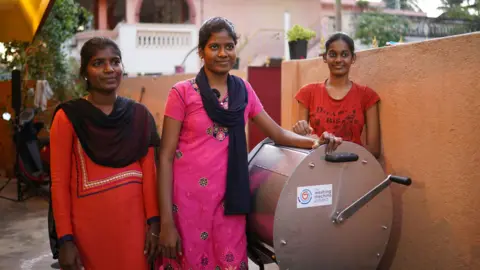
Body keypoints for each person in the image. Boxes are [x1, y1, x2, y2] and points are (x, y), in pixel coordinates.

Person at [157, 17, 342, 270]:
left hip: (230, 201)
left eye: (229, 46)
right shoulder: (182, 93)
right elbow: (165, 157)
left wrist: (316, 142)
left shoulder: (243, 91)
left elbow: (277, 134)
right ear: (201, 51)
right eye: (214, 47)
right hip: (188, 204)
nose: (223, 53)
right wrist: (166, 222)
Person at [50, 37, 161, 270]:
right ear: (85, 72)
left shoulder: (140, 116)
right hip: (88, 233)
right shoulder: (69, 117)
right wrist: (66, 240)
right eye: (98, 63)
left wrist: (154, 225)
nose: (109, 69)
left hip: (135, 230)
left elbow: (150, 175)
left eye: (115, 61)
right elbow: (59, 183)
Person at [293, 33, 381, 158]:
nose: (338, 60)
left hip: (354, 167)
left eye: (344, 54)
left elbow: (374, 150)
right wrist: (300, 132)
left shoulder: (367, 96)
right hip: (317, 166)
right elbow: (301, 139)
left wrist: (341, 153)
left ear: (353, 58)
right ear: (325, 57)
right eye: (333, 54)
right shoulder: (308, 93)